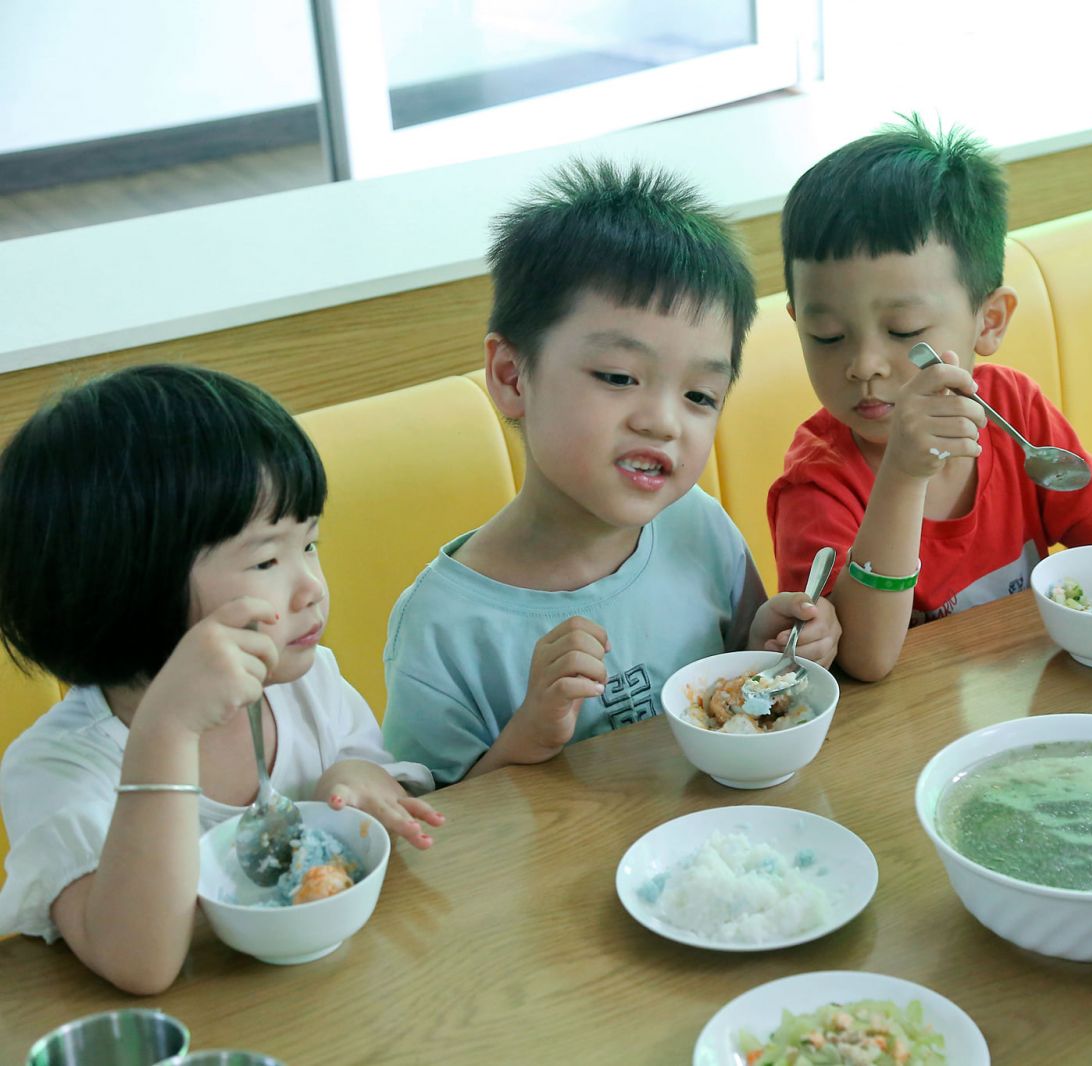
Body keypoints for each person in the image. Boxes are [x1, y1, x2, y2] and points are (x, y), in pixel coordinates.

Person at [769, 116, 1092, 685]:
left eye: (903, 329)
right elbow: (865, 658)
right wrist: (905, 474)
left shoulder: (1013, 412)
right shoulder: (816, 485)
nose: (864, 364)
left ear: (988, 321)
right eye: (827, 336)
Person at [381, 160, 840, 785]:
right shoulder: (443, 626)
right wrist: (526, 738)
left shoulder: (697, 525)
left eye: (700, 396)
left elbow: (741, 688)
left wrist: (775, 643)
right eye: (620, 377)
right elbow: (435, 830)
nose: (663, 422)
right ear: (513, 377)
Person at [0, 365, 441, 994]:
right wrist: (169, 728)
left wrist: (353, 779)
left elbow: (377, 788)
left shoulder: (306, 685)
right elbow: (140, 963)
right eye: (266, 560)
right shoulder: (57, 768)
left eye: (309, 544)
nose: (312, 587)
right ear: (130, 587)